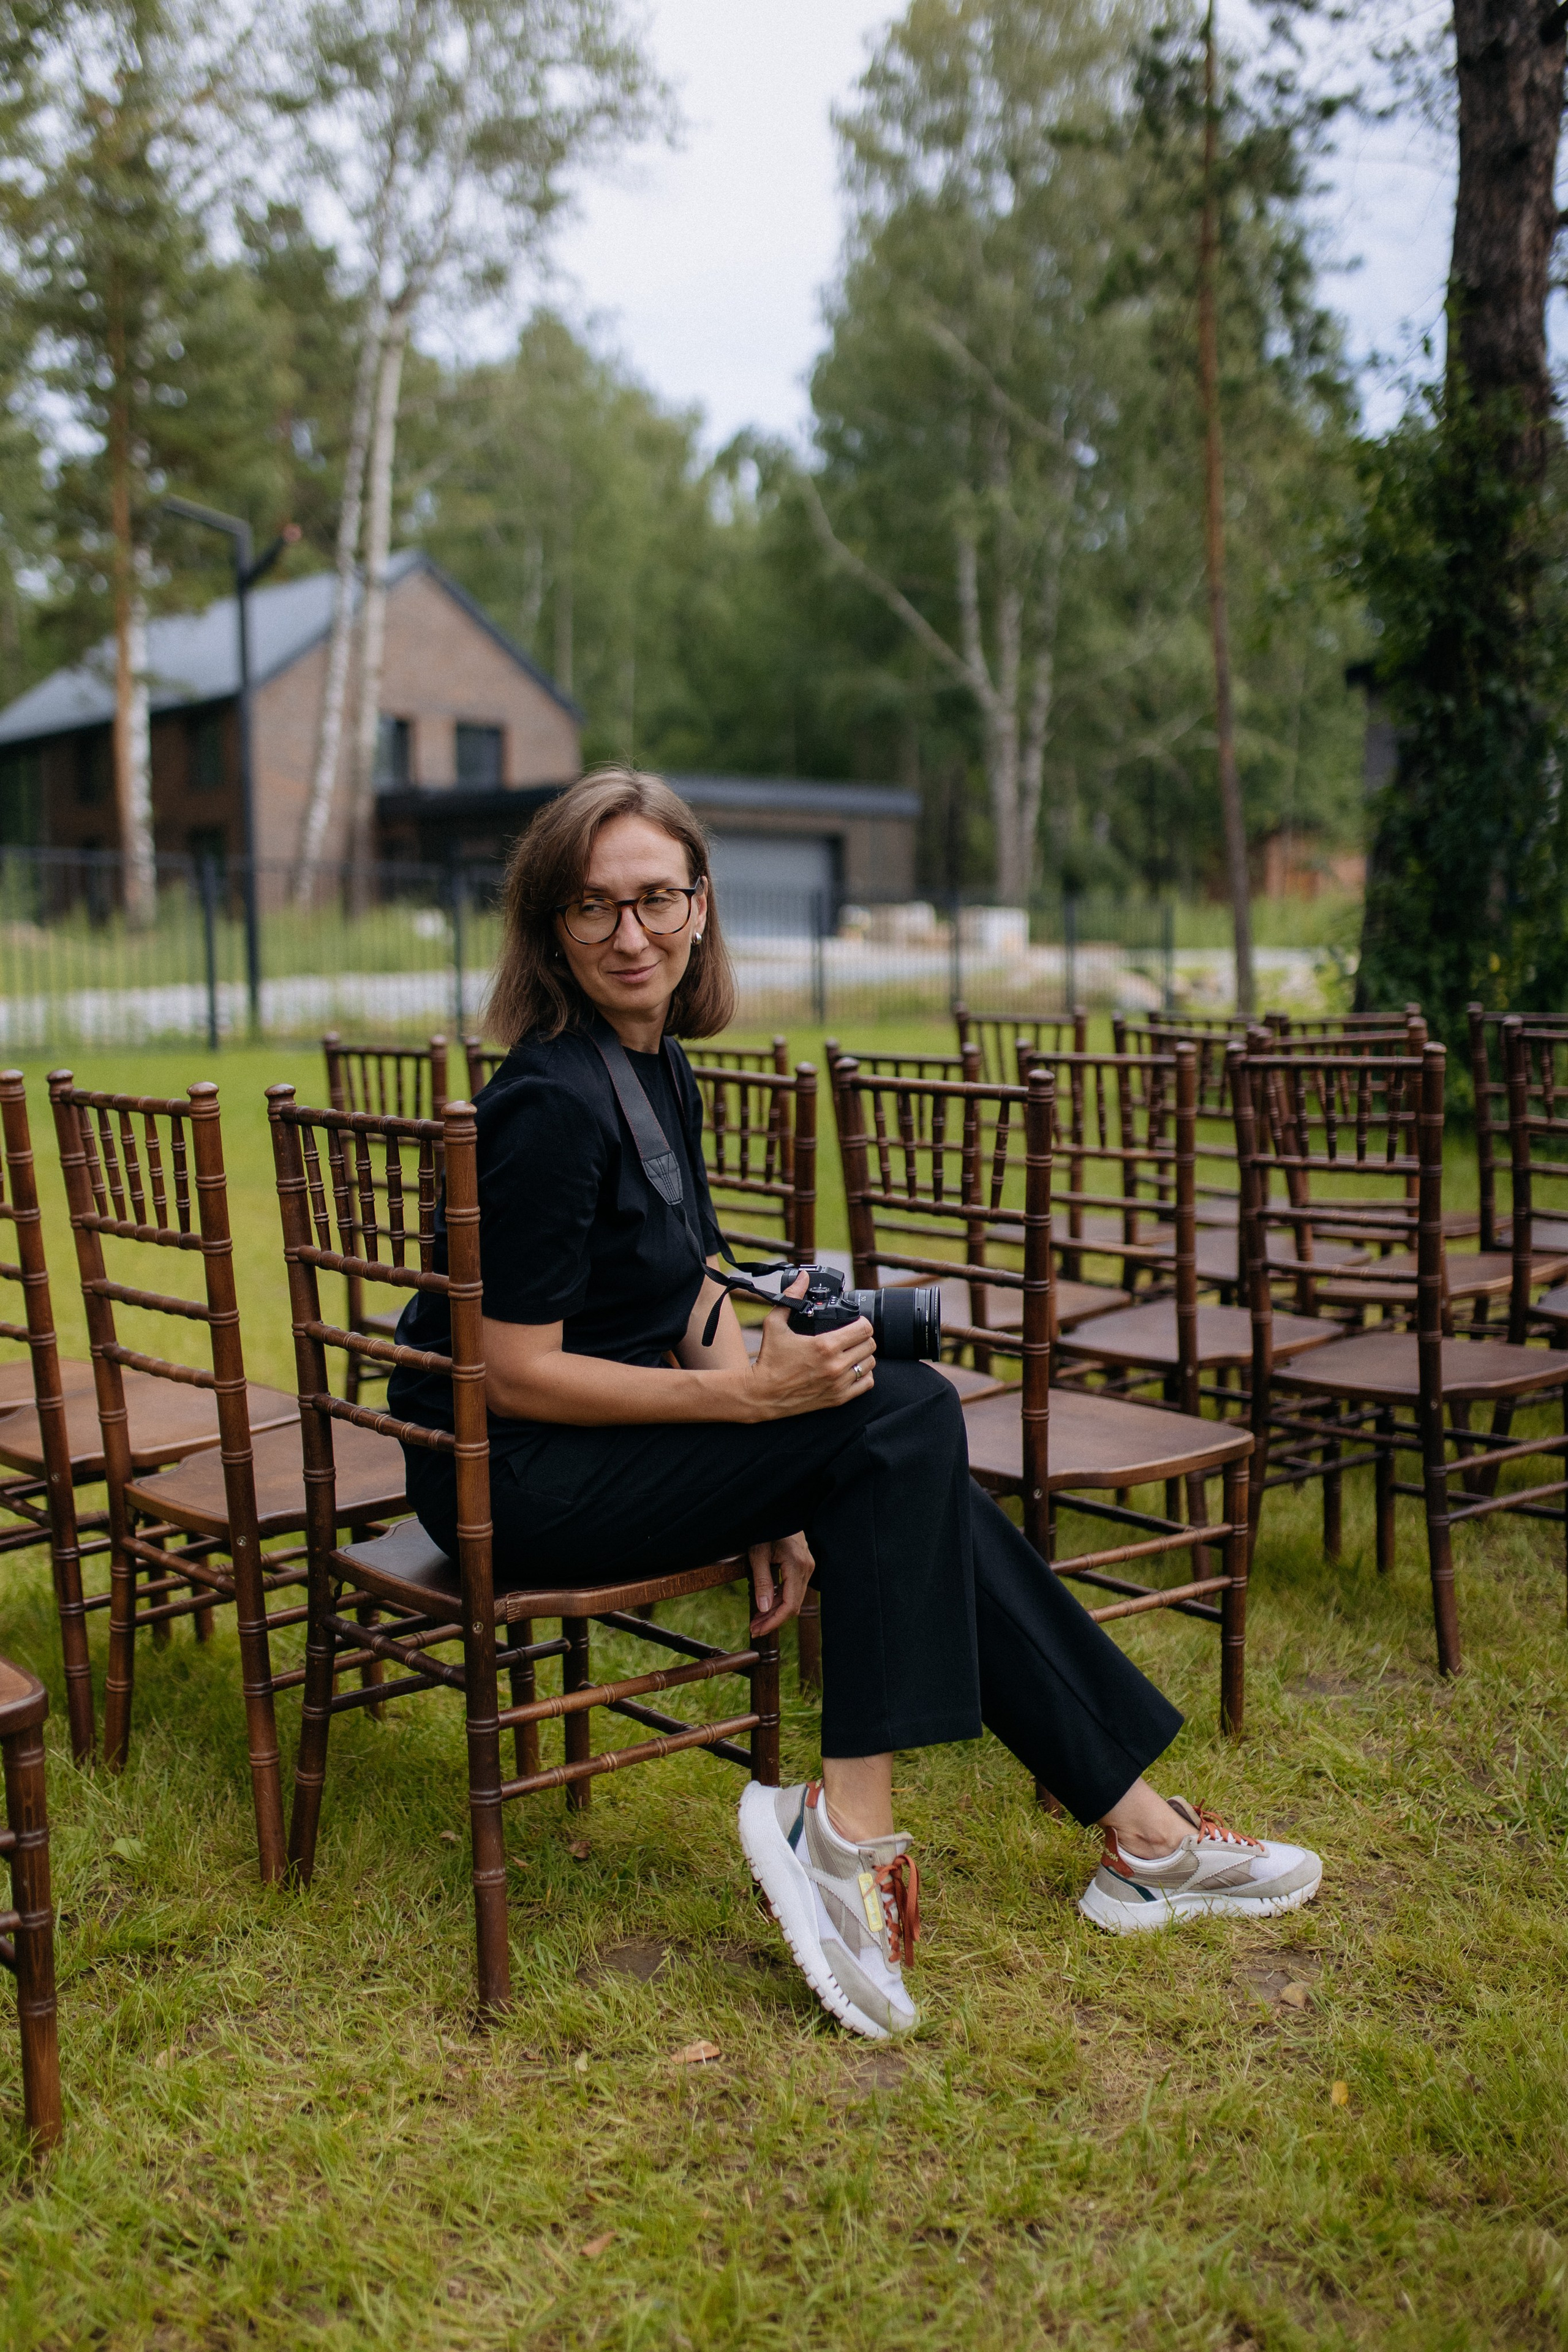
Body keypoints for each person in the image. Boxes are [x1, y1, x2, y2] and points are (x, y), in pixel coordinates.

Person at [390, 767, 1322, 2043]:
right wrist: (757, 1424)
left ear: (701, 905)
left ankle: (1137, 1836)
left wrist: (773, 1476)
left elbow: (690, 1303)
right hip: (511, 1474)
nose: (629, 934)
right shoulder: (551, 1101)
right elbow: (512, 1371)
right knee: (902, 1420)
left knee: (897, 1443)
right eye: (594, 907)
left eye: (655, 898)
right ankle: (852, 1838)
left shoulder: (649, 1065)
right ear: (551, 926)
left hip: (591, 1446)